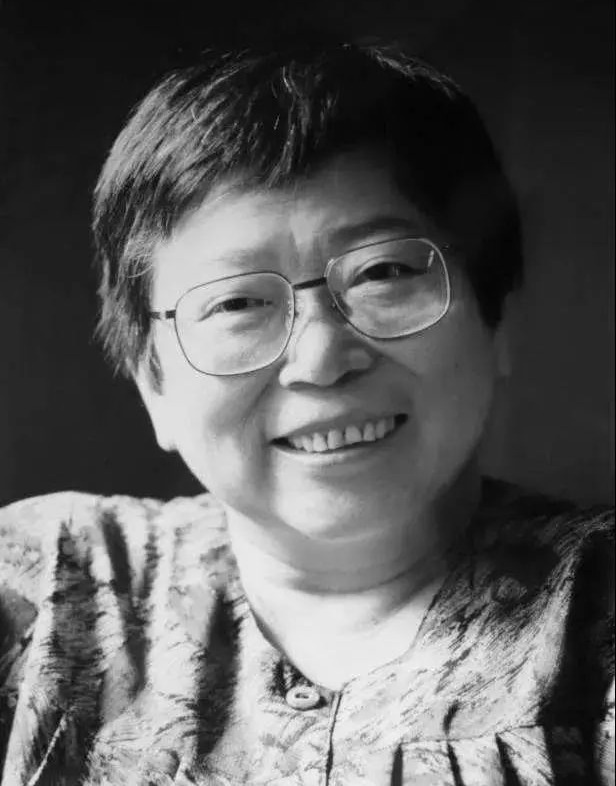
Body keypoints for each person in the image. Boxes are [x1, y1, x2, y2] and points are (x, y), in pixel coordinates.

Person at [0, 39, 613, 786]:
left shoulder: (598, 617)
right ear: (151, 384)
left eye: (383, 272)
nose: (321, 359)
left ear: (498, 322)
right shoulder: (43, 587)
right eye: (237, 304)